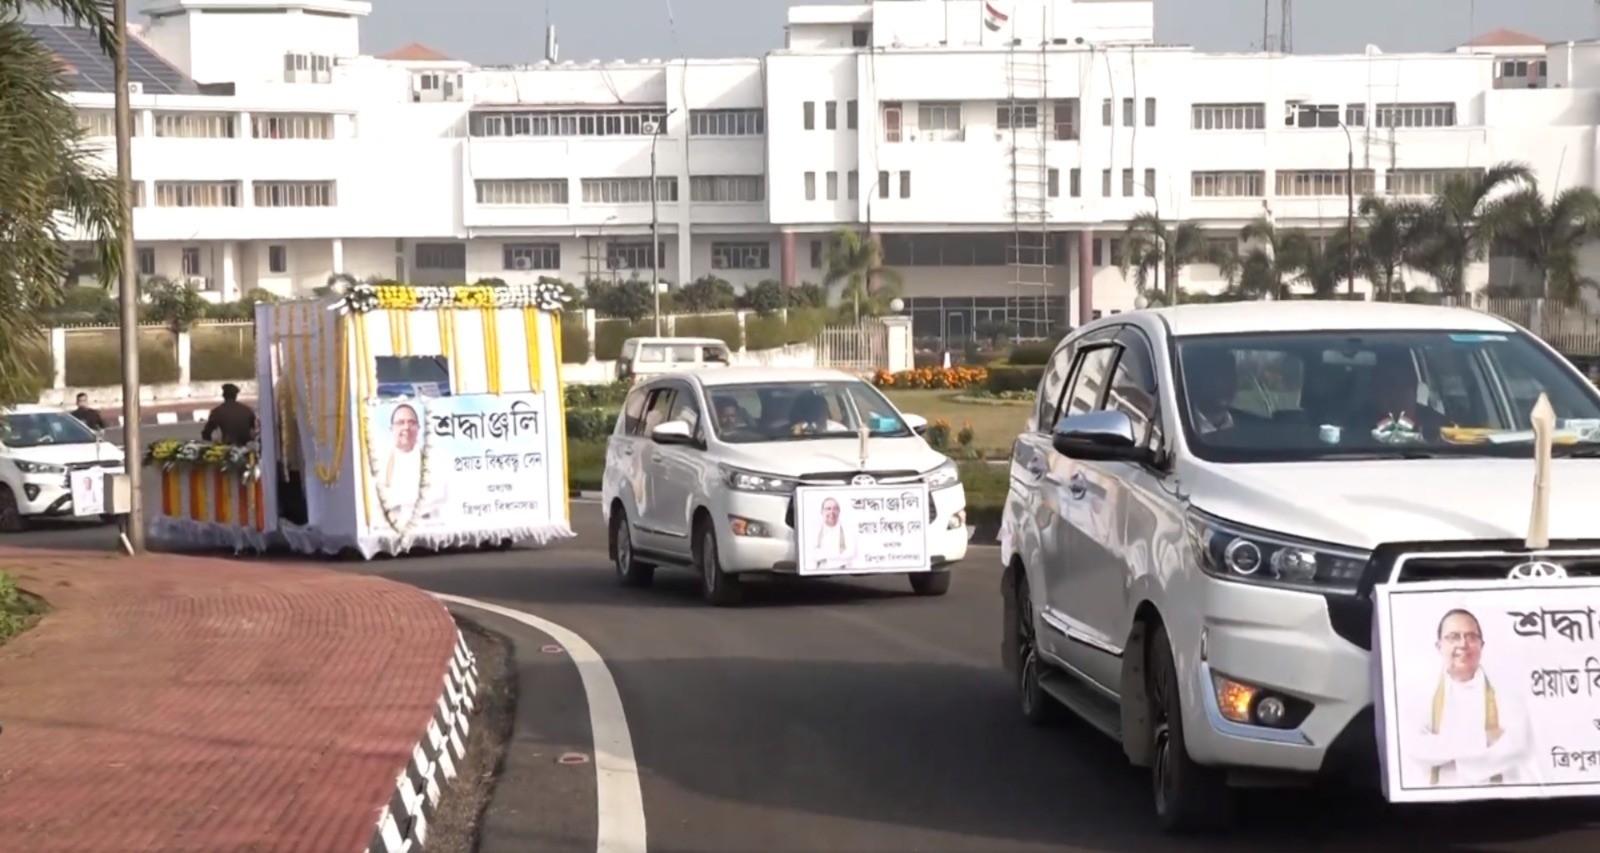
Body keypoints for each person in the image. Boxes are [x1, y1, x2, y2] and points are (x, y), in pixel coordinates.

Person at [1403, 608, 1534, 788]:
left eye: (1471, 637)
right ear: (1439, 646)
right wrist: (1484, 739)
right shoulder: (1420, 692)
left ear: (1482, 645)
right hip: (1438, 799)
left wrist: (1445, 749)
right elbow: (1414, 748)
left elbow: (1518, 746)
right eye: (1453, 637)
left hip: (1496, 797)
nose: (1463, 644)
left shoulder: (1507, 691)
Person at [380, 404, 424, 518]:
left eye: (411, 423)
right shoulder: (381, 461)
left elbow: (439, 494)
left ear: (418, 428)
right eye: (400, 423)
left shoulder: (431, 458)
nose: (406, 427)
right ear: (391, 429)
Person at [1184, 348, 1238, 435]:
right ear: (1197, 380)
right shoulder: (1181, 428)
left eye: (1230, 377)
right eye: (1218, 377)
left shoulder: (1246, 427)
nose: (1225, 386)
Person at [812, 497, 855, 570]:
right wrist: (837, 555)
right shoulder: (813, 530)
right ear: (822, 512)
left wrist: (825, 556)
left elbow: (851, 554)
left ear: (839, 511)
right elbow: (811, 555)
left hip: (842, 572)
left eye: (835, 509)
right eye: (828, 509)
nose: (832, 512)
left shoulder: (848, 530)